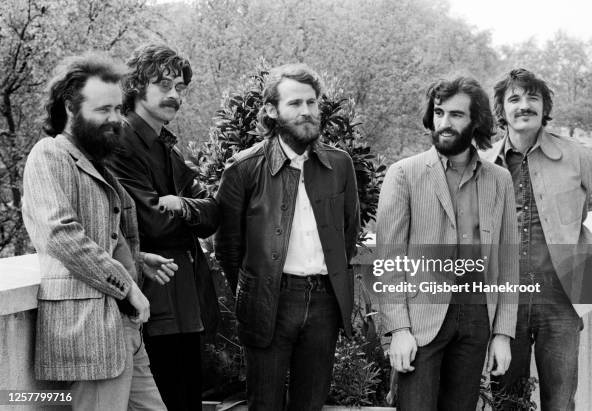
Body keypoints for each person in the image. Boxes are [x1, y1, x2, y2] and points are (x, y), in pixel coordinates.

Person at [22, 54, 177, 410]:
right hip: (90, 332)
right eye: (102, 109)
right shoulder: (49, 155)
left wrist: (136, 259)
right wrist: (126, 285)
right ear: (69, 107)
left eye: (118, 108)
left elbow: (99, 234)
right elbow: (60, 234)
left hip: (124, 330)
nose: (115, 119)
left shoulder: (96, 162)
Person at [215, 63, 360, 410]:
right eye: (295, 103)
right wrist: (257, 291)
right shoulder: (244, 168)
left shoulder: (340, 165)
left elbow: (348, 233)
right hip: (269, 302)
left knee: (310, 404)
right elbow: (228, 248)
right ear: (271, 110)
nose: (306, 111)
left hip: (324, 301)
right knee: (264, 404)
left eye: (312, 102)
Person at [376, 77, 519, 410]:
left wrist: (502, 333)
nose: (444, 123)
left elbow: (508, 262)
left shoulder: (499, 180)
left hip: (476, 317)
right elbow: (389, 261)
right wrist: (399, 328)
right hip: (421, 317)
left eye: (456, 115)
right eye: (439, 112)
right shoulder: (403, 174)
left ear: (475, 121)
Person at [483, 68, 592, 410]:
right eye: (514, 99)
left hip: (562, 299)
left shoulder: (577, 155)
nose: (524, 105)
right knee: (506, 401)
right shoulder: (484, 164)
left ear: (544, 107)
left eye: (532, 98)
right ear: (502, 111)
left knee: (559, 402)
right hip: (504, 304)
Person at [106, 44, 219, 411]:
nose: (175, 95)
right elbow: (151, 222)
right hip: (150, 302)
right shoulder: (121, 142)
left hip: (186, 300)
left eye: (181, 87)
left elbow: (213, 214)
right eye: (164, 85)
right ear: (137, 86)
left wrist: (182, 205)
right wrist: (185, 212)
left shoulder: (168, 148)